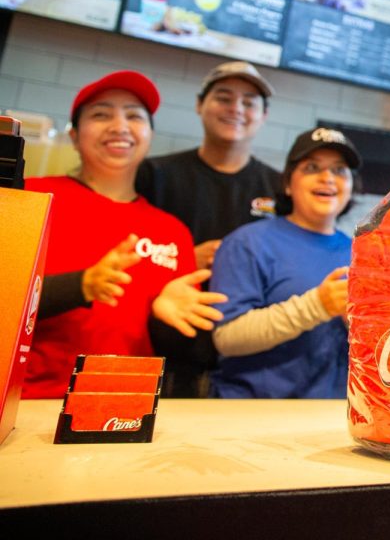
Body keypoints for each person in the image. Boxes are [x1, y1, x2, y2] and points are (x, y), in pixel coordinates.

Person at [23, 71, 228, 399]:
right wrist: (81, 286)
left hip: (124, 410)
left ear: (148, 135)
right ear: (75, 136)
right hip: (29, 402)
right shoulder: (31, 199)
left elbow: (183, 350)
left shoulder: (172, 231)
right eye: (101, 114)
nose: (119, 126)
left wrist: (163, 319)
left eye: (134, 116)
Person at [136, 60, 279, 396]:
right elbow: (125, 252)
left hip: (247, 364)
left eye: (248, 102)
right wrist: (184, 259)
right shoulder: (154, 175)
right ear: (200, 105)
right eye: (224, 98)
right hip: (165, 353)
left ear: (263, 115)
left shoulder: (279, 187)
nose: (236, 109)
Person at [208, 127, 361, 398]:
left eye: (339, 170)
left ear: (351, 185)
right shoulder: (247, 243)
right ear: (288, 184)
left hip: (331, 414)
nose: (327, 178)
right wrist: (318, 305)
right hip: (249, 413)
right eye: (312, 167)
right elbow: (227, 338)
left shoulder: (363, 253)